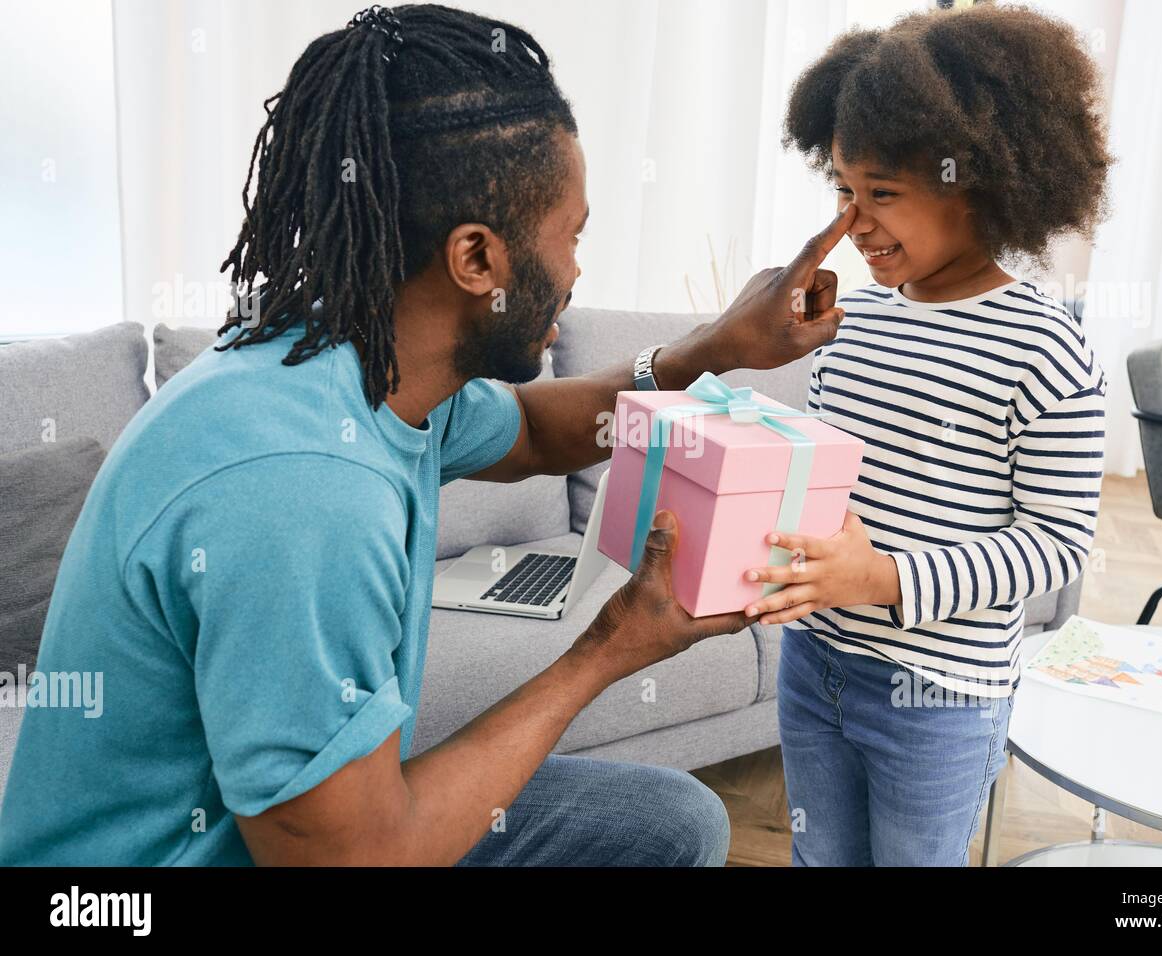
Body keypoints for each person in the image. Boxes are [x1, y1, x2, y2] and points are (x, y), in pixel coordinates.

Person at [0, 3, 853, 866]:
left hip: (307, 833)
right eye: (573, 238)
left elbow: (534, 432)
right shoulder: (306, 491)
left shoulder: (354, 357)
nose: (577, 272)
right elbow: (354, 860)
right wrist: (611, 647)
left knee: (666, 822)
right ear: (476, 259)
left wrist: (718, 348)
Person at [740, 4, 1113, 866]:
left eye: (884, 195)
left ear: (977, 184)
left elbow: (1057, 546)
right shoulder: (856, 319)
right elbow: (833, 477)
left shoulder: (1046, 347)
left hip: (941, 694)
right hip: (816, 662)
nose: (854, 221)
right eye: (843, 189)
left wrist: (886, 578)